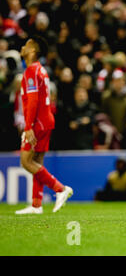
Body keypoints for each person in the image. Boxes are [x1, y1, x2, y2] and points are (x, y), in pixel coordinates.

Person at [15, 35, 73, 215]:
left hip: (38, 122)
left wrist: (28, 126)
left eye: (26, 44)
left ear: (32, 50)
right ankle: (36, 204)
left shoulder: (31, 71)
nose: (23, 47)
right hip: (46, 119)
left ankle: (60, 189)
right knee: (37, 161)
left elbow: (32, 100)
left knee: (26, 162)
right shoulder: (41, 70)